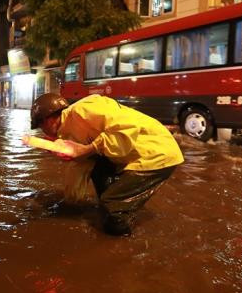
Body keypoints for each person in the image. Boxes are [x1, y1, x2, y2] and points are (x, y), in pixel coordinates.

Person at [30, 93, 184, 236]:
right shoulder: (69, 131)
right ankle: (120, 203)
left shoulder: (83, 109)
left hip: (156, 153)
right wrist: (71, 200)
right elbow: (83, 165)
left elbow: (128, 127)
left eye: (40, 126)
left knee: (113, 207)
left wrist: (90, 149)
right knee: (98, 171)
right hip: (134, 155)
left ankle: (123, 240)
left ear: (47, 119)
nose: (43, 133)